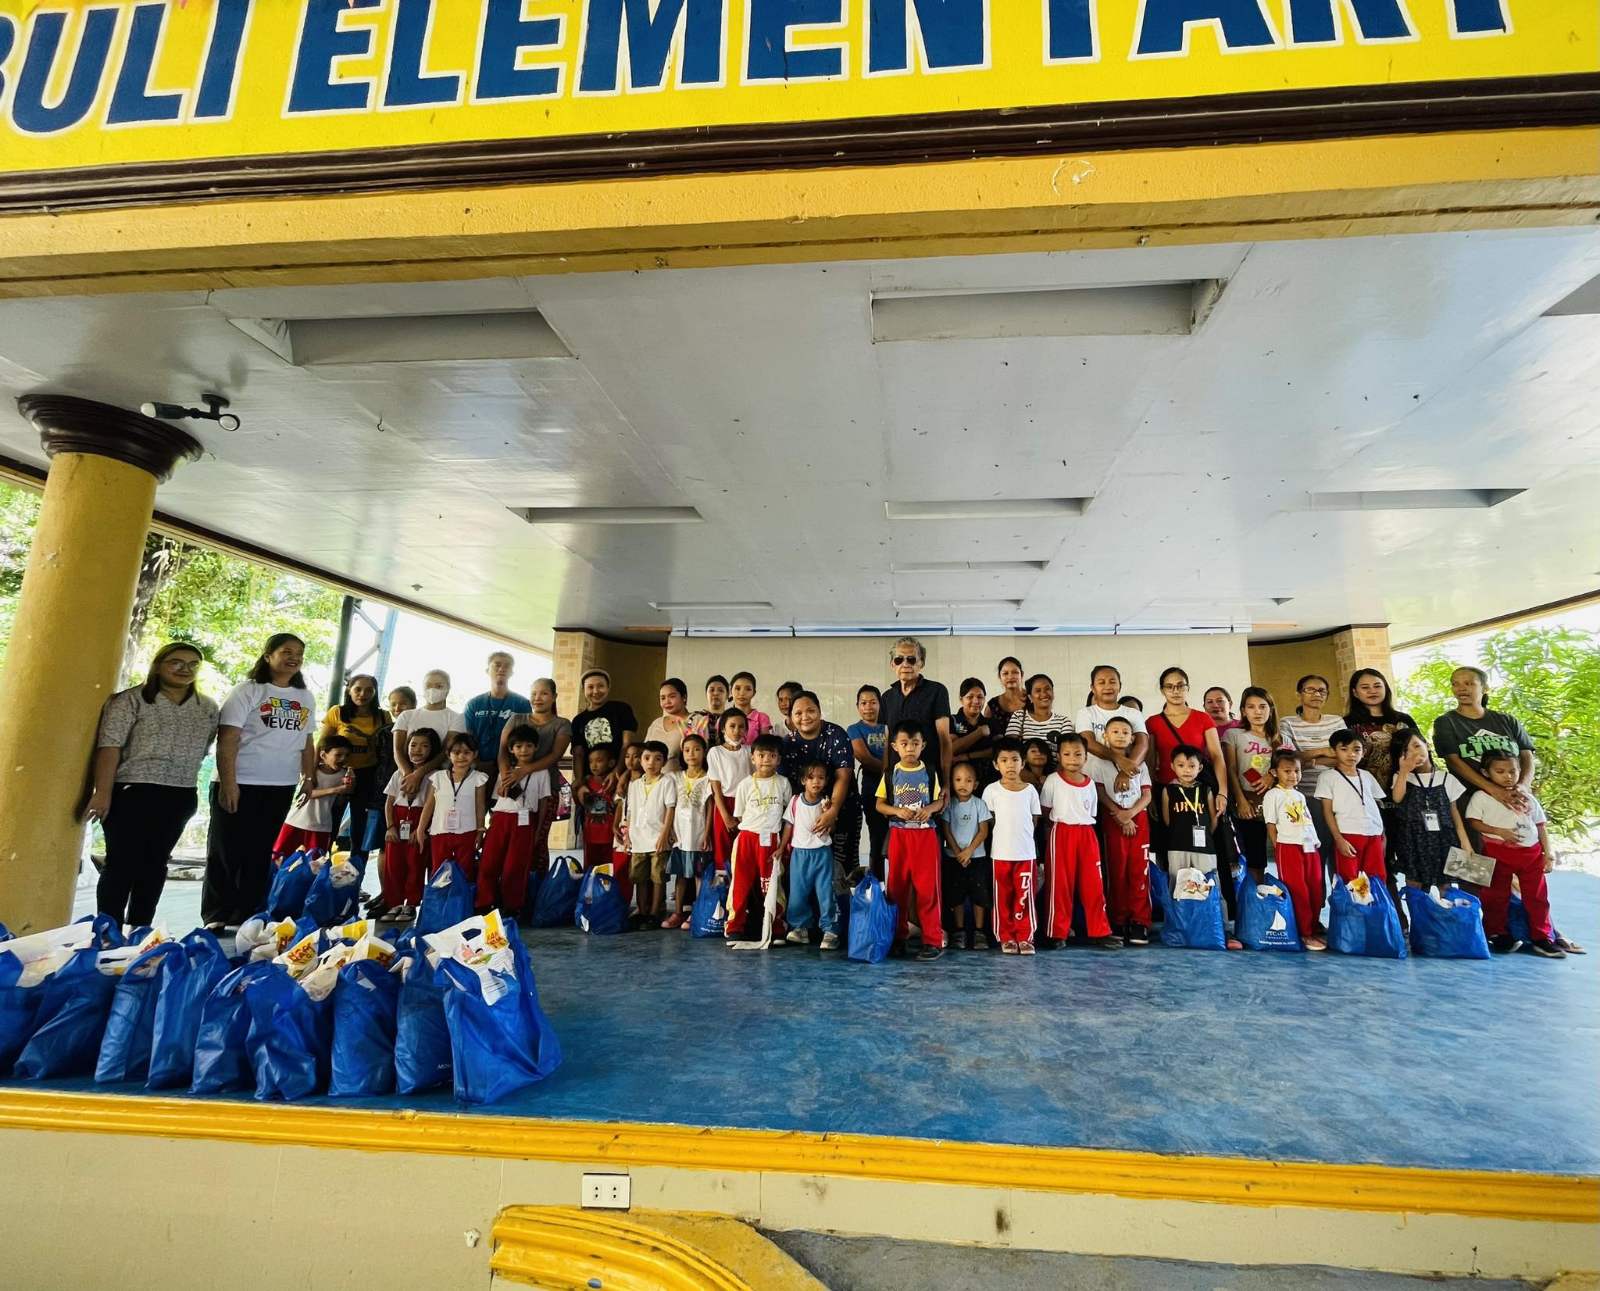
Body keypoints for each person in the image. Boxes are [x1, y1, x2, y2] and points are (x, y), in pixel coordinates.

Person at [87, 641, 219, 927]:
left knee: (155, 865)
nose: (185, 669)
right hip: (131, 791)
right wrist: (103, 792)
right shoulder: (130, 701)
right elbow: (110, 747)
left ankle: (140, 929)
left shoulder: (206, 707)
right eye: (176, 662)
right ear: (159, 665)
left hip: (179, 794)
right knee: (121, 865)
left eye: (193, 664)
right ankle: (107, 931)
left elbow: (206, 745)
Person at [202, 633, 317, 931]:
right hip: (240, 781)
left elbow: (307, 741)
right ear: (268, 655)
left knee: (259, 851)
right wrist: (229, 783)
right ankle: (216, 913)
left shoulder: (305, 696)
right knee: (226, 849)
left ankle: (247, 913)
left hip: (280, 785)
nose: (293, 658)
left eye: (299, 654)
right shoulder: (248, 691)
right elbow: (228, 738)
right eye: (286, 651)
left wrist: (308, 777)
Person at [1465, 750, 1562, 957]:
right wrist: (1498, 831)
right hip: (1497, 852)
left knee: (1537, 897)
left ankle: (1542, 937)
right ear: (1485, 772)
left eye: (1512, 771)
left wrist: (1548, 853)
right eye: (1500, 771)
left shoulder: (1527, 796)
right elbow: (1474, 822)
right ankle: (1497, 934)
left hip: (1532, 854)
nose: (1508, 776)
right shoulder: (1481, 796)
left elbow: (1540, 825)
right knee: (1495, 896)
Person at [1040, 733, 1121, 949]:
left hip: (1086, 834)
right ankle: (1057, 932)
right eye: (1067, 754)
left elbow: (1091, 811)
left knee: (1094, 885)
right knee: (1060, 885)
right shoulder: (1053, 781)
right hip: (1061, 834)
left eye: (1078, 754)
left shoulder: (1090, 784)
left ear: (1086, 757)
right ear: (1059, 756)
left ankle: (1100, 930)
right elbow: (1045, 810)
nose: (1073, 759)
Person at [876, 719, 946, 961]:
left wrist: (930, 809)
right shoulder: (890, 773)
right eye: (904, 743)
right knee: (897, 889)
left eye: (914, 743)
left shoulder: (929, 771)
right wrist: (897, 811)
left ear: (922, 745)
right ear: (895, 746)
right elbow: (879, 805)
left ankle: (932, 941)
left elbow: (940, 801)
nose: (909, 748)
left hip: (925, 836)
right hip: (899, 836)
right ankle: (898, 938)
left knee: (928, 889)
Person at [1431, 666, 1536, 821]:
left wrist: (1522, 786)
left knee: (1525, 841)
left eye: (1469, 683)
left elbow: (1527, 755)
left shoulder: (1506, 720)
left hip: (1516, 798)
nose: (1461, 689)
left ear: (1485, 688)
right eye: (1455, 684)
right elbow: (1453, 761)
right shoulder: (1446, 722)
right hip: (1473, 802)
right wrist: (1494, 790)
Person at [495, 677, 571, 889]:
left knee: (537, 840)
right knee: (507, 842)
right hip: (511, 789)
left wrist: (525, 770)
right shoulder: (516, 719)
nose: (538, 698)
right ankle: (505, 889)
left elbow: (555, 755)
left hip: (544, 790)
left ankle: (535, 891)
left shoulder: (562, 724)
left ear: (554, 697)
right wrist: (507, 778)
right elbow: (502, 751)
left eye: (544, 693)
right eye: (534, 693)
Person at [476, 724, 551, 917]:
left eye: (528, 746)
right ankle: (484, 903)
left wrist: (539, 829)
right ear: (511, 749)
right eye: (518, 746)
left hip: (525, 822)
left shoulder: (542, 772)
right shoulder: (505, 771)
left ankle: (512, 906)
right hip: (500, 819)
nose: (523, 750)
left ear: (535, 747)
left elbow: (543, 803)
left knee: (515, 866)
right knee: (489, 863)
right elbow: (495, 799)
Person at [780, 691, 856, 878]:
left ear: (820, 712)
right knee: (805, 873)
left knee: (841, 870)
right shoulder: (787, 743)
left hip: (842, 809)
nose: (805, 717)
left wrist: (833, 811)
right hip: (804, 820)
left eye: (810, 711)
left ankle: (842, 907)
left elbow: (843, 775)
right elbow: (784, 785)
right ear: (790, 718)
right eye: (798, 713)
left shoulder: (836, 734)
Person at [1389, 730, 1473, 897]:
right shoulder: (1401, 777)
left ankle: (1446, 921)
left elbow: (1454, 813)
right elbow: (1397, 798)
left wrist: (1465, 843)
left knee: (1447, 886)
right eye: (1406, 751)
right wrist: (1404, 771)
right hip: (1413, 841)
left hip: (1444, 839)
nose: (1414, 753)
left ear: (1426, 745)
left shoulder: (1446, 778)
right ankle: (1419, 922)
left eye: (1416, 746)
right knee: (1415, 886)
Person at [1091, 716, 1153, 946]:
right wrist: (1119, 815)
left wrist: (1131, 813)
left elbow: (1146, 795)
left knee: (1139, 872)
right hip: (1113, 821)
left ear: (1132, 738)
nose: (1120, 735)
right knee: (1116, 872)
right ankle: (1117, 920)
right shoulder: (1099, 764)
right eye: (1114, 731)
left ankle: (1139, 921)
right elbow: (1100, 793)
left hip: (1139, 822)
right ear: (1105, 736)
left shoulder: (1140, 765)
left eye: (1125, 732)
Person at [726, 733, 792, 943]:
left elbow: (788, 814)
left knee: (771, 883)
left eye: (771, 755)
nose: (766, 759)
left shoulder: (783, 783)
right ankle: (735, 926)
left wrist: (782, 843)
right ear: (752, 758)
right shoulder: (745, 784)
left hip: (771, 839)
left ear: (778, 759)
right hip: (747, 838)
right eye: (761, 755)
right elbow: (739, 814)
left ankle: (776, 926)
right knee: (741, 883)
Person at [1222, 687, 1295, 872]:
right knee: (1255, 856)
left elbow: (1292, 768)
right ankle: (1257, 894)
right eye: (1251, 707)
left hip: (1278, 802)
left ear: (1270, 709)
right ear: (1243, 711)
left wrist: (1271, 775)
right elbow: (1230, 769)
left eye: (1263, 706)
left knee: (1284, 850)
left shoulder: (1281, 738)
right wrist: (1240, 800)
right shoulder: (1234, 735)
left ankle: (1283, 894)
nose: (1257, 712)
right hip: (1249, 799)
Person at [317, 673, 387, 867]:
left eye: (369, 690)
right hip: (338, 774)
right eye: (358, 689)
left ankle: (355, 873)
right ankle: (320, 868)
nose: (363, 694)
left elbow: (385, 748)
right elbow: (323, 743)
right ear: (349, 690)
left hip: (368, 774)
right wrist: (312, 773)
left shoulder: (382, 715)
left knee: (360, 826)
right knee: (329, 821)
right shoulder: (337, 712)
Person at [1260, 749, 1325, 949]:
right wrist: (1278, 847)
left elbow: (1306, 820)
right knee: (1298, 890)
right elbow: (1271, 824)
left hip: (1309, 847)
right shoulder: (1273, 795)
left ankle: (1313, 927)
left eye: (1296, 771)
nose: (1293, 775)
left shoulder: (1299, 795)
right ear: (1274, 772)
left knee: (1314, 886)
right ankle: (1304, 932)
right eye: (1287, 771)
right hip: (1288, 847)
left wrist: (1314, 841)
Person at [371, 727, 438, 918]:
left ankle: (411, 904)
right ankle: (394, 903)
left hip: (418, 824)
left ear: (433, 750)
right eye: (413, 744)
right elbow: (389, 802)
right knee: (393, 865)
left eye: (425, 746)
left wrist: (420, 830)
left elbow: (431, 807)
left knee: (415, 865)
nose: (417, 750)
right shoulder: (397, 774)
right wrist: (390, 826)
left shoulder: (434, 776)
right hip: (397, 823)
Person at [983, 738, 1041, 955]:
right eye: (1004, 760)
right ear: (996, 765)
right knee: (1003, 897)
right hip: (1000, 854)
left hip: (1026, 854)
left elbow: (1034, 820)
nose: (1010, 764)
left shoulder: (1030, 791)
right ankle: (1006, 936)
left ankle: (1025, 936)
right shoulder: (991, 791)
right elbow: (989, 821)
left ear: (1022, 763)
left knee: (1024, 896)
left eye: (1015, 759)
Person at [878, 638, 953, 789]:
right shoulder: (887, 697)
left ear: (921, 663)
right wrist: (884, 779)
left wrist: (946, 783)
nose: (905, 664)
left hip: (929, 779)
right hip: (897, 781)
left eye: (911, 659)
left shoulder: (937, 691)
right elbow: (886, 743)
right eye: (899, 659)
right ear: (892, 664)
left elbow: (945, 740)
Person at [1315, 730, 1387, 882]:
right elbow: (1327, 812)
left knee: (1376, 878)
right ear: (1334, 751)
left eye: (1356, 749)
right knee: (1351, 880)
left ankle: (1373, 906)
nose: (1351, 754)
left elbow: (1375, 806)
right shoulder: (1327, 777)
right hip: (1348, 834)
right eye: (1344, 749)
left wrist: (1383, 835)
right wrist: (1339, 839)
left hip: (1374, 834)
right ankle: (1351, 907)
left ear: (1364, 752)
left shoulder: (1366, 776)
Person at [782, 761, 840, 950]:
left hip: (822, 854)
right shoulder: (795, 801)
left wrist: (828, 815)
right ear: (803, 780)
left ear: (826, 781)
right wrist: (782, 847)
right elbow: (788, 826)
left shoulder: (826, 803)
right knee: (798, 893)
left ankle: (830, 931)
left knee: (825, 893)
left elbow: (832, 829)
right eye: (811, 777)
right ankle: (800, 929)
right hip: (800, 854)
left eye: (821, 778)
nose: (816, 782)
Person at [415, 732, 488, 878]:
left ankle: (459, 900)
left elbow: (480, 806)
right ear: (449, 755)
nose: (461, 756)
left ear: (475, 754)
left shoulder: (479, 778)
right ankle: (441, 900)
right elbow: (429, 805)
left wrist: (480, 831)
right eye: (456, 752)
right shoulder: (438, 777)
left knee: (464, 870)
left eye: (467, 752)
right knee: (440, 870)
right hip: (440, 832)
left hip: (467, 832)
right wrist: (420, 829)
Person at [620, 740, 676, 927]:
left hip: (657, 838)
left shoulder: (667, 782)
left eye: (657, 759)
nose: (651, 762)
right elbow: (629, 811)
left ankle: (654, 912)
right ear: (641, 761)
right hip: (638, 838)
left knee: (658, 876)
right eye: (646, 758)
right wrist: (627, 835)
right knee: (639, 877)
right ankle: (642, 910)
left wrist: (664, 834)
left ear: (664, 761)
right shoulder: (634, 785)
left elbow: (670, 809)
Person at [273, 733, 354, 859]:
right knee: (278, 857)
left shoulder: (344, 776)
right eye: (338, 755)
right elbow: (307, 793)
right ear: (323, 755)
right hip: (295, 821)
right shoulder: (311, 773)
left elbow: (340, 801)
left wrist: (348, 788)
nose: (343, 759)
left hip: (321, 825)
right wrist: (336, 789)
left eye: (346, 755)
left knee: (315, 863)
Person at [940, 761, 992, 951]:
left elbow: (983, 831)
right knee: (956, 896)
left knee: (980, 895)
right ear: (951, 782)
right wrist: (958, 852)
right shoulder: (948, 805)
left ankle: (979, 932)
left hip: (976, 858)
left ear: (976, 784)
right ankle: (959, 931)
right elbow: (946, 831)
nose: (963, 784)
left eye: (968, 780)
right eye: (958, 779)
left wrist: (969, 851)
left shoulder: (980, 804)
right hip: (954, 859)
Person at [665, 732, 714, 930]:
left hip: (698, 835)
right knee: (681, 876)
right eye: (687, 750)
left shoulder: (709, 779)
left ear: (704, 753)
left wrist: (707, 834)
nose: (691, 754)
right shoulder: (675, 778)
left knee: (698, 876)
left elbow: (710, 809)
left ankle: (697, 913)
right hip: (680, 837)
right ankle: (678, 912)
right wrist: (668, 831)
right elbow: (669, 807)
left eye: (696, 749)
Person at [393, 670, 466, 799]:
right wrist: (409, 775)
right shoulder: (407, 715)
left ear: (448, 689)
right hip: (405, 777)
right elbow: (397, 750)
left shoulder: (456, 717)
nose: (433, 690)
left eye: (439, 686)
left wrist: (419, 775)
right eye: (429, 686)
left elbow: (445, 751)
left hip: (438, 778)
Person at [1075, 665, 1149, 788]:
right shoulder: (1085, 713)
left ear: (1120, 686)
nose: (1107, 687)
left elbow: (1143, 744)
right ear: (1093, 688)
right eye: (1101, 682)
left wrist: (1126, 771)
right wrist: (1119, 760)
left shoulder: (1133, 713)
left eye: (1112, 682)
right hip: (1093, 779)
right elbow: (1088, 742)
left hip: (1128, 782)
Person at [570, 669, 638, 803]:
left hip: (620, 778)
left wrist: (616, 772)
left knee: (618, 819)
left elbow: (627, 744)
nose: (595, 691)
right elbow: (578, 754)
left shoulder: (621, 709)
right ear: (583, 689)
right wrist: (580, 781)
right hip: (591, 782)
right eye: (590, 687)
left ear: (608, 687)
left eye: (600, 686)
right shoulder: (578, 720)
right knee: (591, 820)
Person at [463, 652, 531, 782]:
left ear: (512, 672)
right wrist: (476, 763)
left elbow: (524, 737)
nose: (502, 669)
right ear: (487, 670)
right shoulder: (473, 704)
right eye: (497, 665)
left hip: (509, 769)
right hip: (476, 767)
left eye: (507, 666)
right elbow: (468, 737)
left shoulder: (522, 703)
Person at [848, 684, 889, 878]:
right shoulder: (854, 729)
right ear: (857, 706)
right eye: (863, 703)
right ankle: (877, 886)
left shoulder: (889, 726)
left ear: (880, 704)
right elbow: (864, 758)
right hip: (872, 787)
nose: (868, 707)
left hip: (898, 788)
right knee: (877, 838)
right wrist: (892, 773)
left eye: (873, 702)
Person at [707, 709, 751, 871]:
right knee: (722, 851)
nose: (736, 731)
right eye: (732, 726)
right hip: (724, 804)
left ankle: (741, 892)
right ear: (723, 728)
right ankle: (722, 893)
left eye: (741, 727)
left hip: (746, 806)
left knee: (743, 849)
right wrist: (725, 816)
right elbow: (716, 789)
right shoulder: (715, 752)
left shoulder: (749, 752)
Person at [950, 677, 1002, 788]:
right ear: (961, 699)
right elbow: (951, 749)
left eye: (980, 697)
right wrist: (978, 733)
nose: (976, 701)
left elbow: (999, 751)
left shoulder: (992, 723)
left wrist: (966, 756)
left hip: (989, 781)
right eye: (970, 697)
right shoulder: (952, 720)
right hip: (960, 783)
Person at [1005, 673, 1072, 750]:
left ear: (1053, 693)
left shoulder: (1064, 722)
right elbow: (1009, 748)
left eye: (1047, 689)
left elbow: (1068, 752)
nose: (1043, 693)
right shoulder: (1019, 717)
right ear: (1030, 697)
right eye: (1038, 690)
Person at [580, 746, 620, 871]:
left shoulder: (615, 783)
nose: (594, 765)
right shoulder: (586, 782)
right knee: (590, 868)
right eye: (591, 761)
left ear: (611, 763)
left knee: (608, 868)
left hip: (609, 834)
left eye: (599, 760)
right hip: (590, 833)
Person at [645, 678, 694, 772]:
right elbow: (643, 754)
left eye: (672, 696)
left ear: (684, 697)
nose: (667, 701)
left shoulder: (695, 720)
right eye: (663, 698)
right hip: (653, 782)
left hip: (681, 782)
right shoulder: (656, 723)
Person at [727, 671, 773, 746]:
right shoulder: (723, 718)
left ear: (754, 693)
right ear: (730, 691)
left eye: (748, 689)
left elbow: (766, 747)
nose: (742, 693)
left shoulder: (761, 718)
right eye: (737, 688)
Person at [986, 656, 1028, 726]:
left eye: (1015, 672)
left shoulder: (1033, 699)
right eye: (1005, 673)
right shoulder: (992, 705)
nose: (1010, 677)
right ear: (999, 677)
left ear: (1022, 674)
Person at [689, 674, 731, 743]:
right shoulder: (694, 718)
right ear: (706, 694)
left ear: (727, 695)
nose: (716, 693)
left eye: (720, 690)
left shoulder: (732, 718)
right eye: (711, 690)